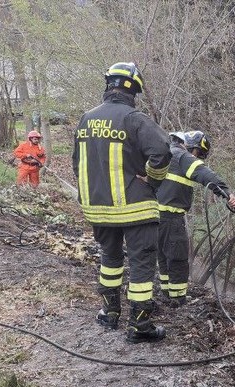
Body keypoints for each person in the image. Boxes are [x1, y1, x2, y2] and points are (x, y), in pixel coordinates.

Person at [72, 62, 171, 343]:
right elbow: (162, 152)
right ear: (134, 89)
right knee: (141, 264)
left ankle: (109, 313)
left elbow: (77, 163)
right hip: (135, 209)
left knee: (110, 260)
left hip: (98, 208)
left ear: (108, 85)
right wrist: (152, 182)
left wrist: (90, 194)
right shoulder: (134, 119)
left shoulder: (85, 119)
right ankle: (140, 326)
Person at [156, 130, 235, 306]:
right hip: (171, 216)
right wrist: (227, 193)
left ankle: (166, 293)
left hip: (154, 216)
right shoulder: (181, 156)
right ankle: (177, 299)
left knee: (163, 255)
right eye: (199, 154)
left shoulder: (166, 152)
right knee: (177, 257)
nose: (199, 158)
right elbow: (205, 174)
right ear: (192, 146)